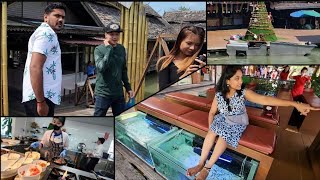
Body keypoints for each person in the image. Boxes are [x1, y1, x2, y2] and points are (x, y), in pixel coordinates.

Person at [186, 66, 318, 180]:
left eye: (241, 78)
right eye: (237, 78)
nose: (241, 81)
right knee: (212, 132)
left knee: (223, 135)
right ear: (227, 81)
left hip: (238, 121)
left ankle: (208, 168)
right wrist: (211, 127)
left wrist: (294, 103)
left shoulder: (243, 92)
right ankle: (200, 163)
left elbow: (265, 99)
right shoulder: (219, 94)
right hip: (224, 118)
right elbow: (212, 112)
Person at [22, 3, 66, 116]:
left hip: (40, 96)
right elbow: (35, 67)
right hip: (41, 97)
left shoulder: (45, 33)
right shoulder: (47, 34)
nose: (61, 19)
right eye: (57, 16)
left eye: (63, 17)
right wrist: (41, 102)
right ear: (46, 17)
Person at [93, 22, 134, 116]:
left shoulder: (121, 49)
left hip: (118, 93)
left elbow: (123, 69)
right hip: (103, 93)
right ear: (105, 35)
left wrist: (128, 88)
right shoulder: (99, 49)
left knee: (120, 119)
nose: (115, 37)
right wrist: (109, 49)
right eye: (111, 34)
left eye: (117, 34)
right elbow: (101, 68)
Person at [156, 26, 206, 91]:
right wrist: (183, 77)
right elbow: (162, 89)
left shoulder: (198, 61)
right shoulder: (165, 62)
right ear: (180, 41)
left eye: (197, 45)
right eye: (189, 43)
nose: (192, 48)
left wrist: (203, 72)